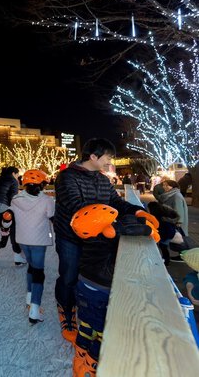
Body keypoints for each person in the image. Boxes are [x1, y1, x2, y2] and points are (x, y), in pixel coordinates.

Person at [53, 138, 158, 344]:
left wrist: (137, 211)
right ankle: (66, 310)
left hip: (97, 238)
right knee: (69, 275)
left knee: (90, 276)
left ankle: (86, 308)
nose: (110, 162)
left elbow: (115, 201)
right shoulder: (66, 177)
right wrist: (111, 224)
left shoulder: (102, 179)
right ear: (93, 156)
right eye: (107, 157)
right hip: (70, 237)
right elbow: (77, 206)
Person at [70, 204, 159, 376]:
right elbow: (129, 229)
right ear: (105, 226)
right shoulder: (108, 235)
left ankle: (79, 358)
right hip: (102, 291)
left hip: (83, 286)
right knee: (105, 330)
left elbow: (123, 223)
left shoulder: (91, 239)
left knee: (87, 324)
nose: (115, 222)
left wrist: (139, 217)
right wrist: (149, 231)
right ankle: (90, 366)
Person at [10, 169, 54, 325]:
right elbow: (52, 216)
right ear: (42, 185)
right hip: (39, 240)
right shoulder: (47, 200)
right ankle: (35, 309)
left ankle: (29, 296)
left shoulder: (15, 199)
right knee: (38, 272)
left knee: (31, 267)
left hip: (22, 239)